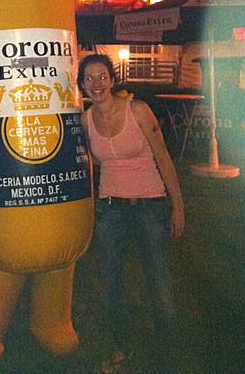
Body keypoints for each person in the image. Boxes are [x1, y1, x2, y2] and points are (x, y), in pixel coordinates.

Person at [77, 54, 185, 374]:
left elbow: (163, 157)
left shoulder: (137, 110)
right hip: (111, 210)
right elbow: (92, 165)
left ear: (112, 79)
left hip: (150, 206)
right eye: (89, 79)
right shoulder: (85, 120)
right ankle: (122, 347)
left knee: (158, 283)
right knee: (111, 284)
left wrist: (177, 207)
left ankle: (167, 352)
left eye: (102, 77)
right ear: (82, 85)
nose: (96, 84)